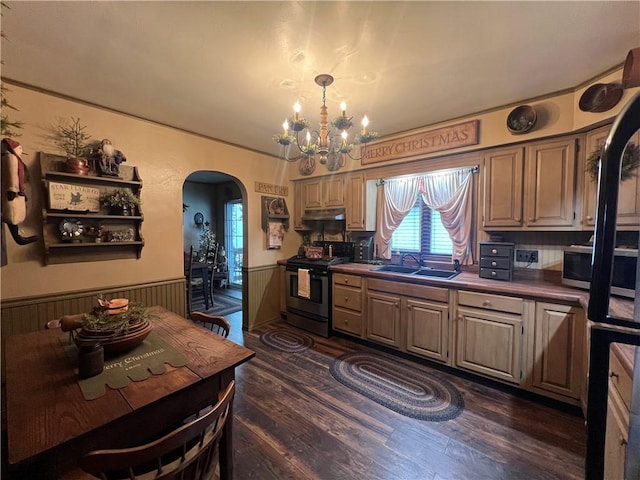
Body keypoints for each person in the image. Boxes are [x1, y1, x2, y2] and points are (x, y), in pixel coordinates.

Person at [1, 138, 37, 245]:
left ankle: (18, 238)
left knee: (12, 213)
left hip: (9, 191)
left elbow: (13, 176)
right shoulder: (10, 159)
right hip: (9, 190)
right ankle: (18, 238)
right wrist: (12, 189)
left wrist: (13, 189)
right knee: (10, 213)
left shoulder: (11, 159)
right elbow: (11, 175)